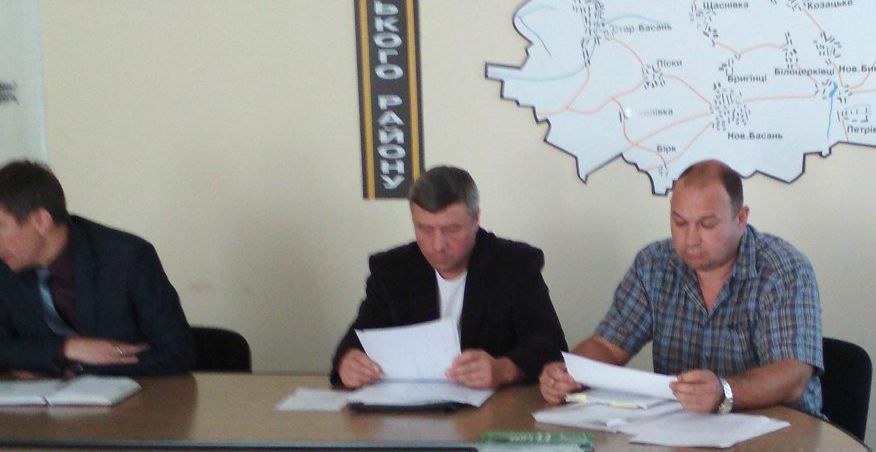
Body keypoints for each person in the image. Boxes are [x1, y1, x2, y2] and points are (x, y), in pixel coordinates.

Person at [539, 159, 823, 415]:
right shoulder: (654, 265)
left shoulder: (783, 270)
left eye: (707, 224)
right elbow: (608, 346)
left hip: (781, 432)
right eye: (680, 222)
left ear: (740, 219)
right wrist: (570, 372)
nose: (691, 239)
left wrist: (725, 392)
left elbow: (793, 375)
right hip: (683, 431)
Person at [331, 165, 567, 389]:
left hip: (496, 407)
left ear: (476, 219)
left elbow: (550, 346)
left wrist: (503, 369)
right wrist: (348, 362)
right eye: (425, 229)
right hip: (412, 409)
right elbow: (358, 338)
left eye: (452, 230)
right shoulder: (391, 270)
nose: (438, 245)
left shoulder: (515, 264)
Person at [0, 159, 194, 377]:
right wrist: (67, 349)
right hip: (43, 400)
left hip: (139, 395)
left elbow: (178, 353)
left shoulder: (126, 257)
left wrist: (69, 367)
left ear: (41, 221)